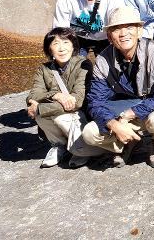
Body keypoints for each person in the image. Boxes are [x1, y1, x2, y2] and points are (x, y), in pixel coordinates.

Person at [82, 6, 154, 168]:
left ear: (140, 31)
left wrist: (129, 114)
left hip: (152, 109)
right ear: (110, 37)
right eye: (116, 29)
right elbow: (95, 102)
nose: (124, 33)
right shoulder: (103, 60)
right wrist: (114, 124)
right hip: (120, 112)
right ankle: (127, 142)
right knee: (89, 133)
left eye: (130, 27)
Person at [26, 28, 100, 168]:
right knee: (42, 115)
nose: (61, 48)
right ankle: (59, 145)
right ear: (49, 48)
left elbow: (76, 101)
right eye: (55, 44)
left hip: (80, 114)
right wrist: (55, 95)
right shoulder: (44, 69)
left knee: (49, 115)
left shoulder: (83, 65)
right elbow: (33, 95)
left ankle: (80, 151)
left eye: (66, 42)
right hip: (59, 109)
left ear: (73, 46)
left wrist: (40, 108)